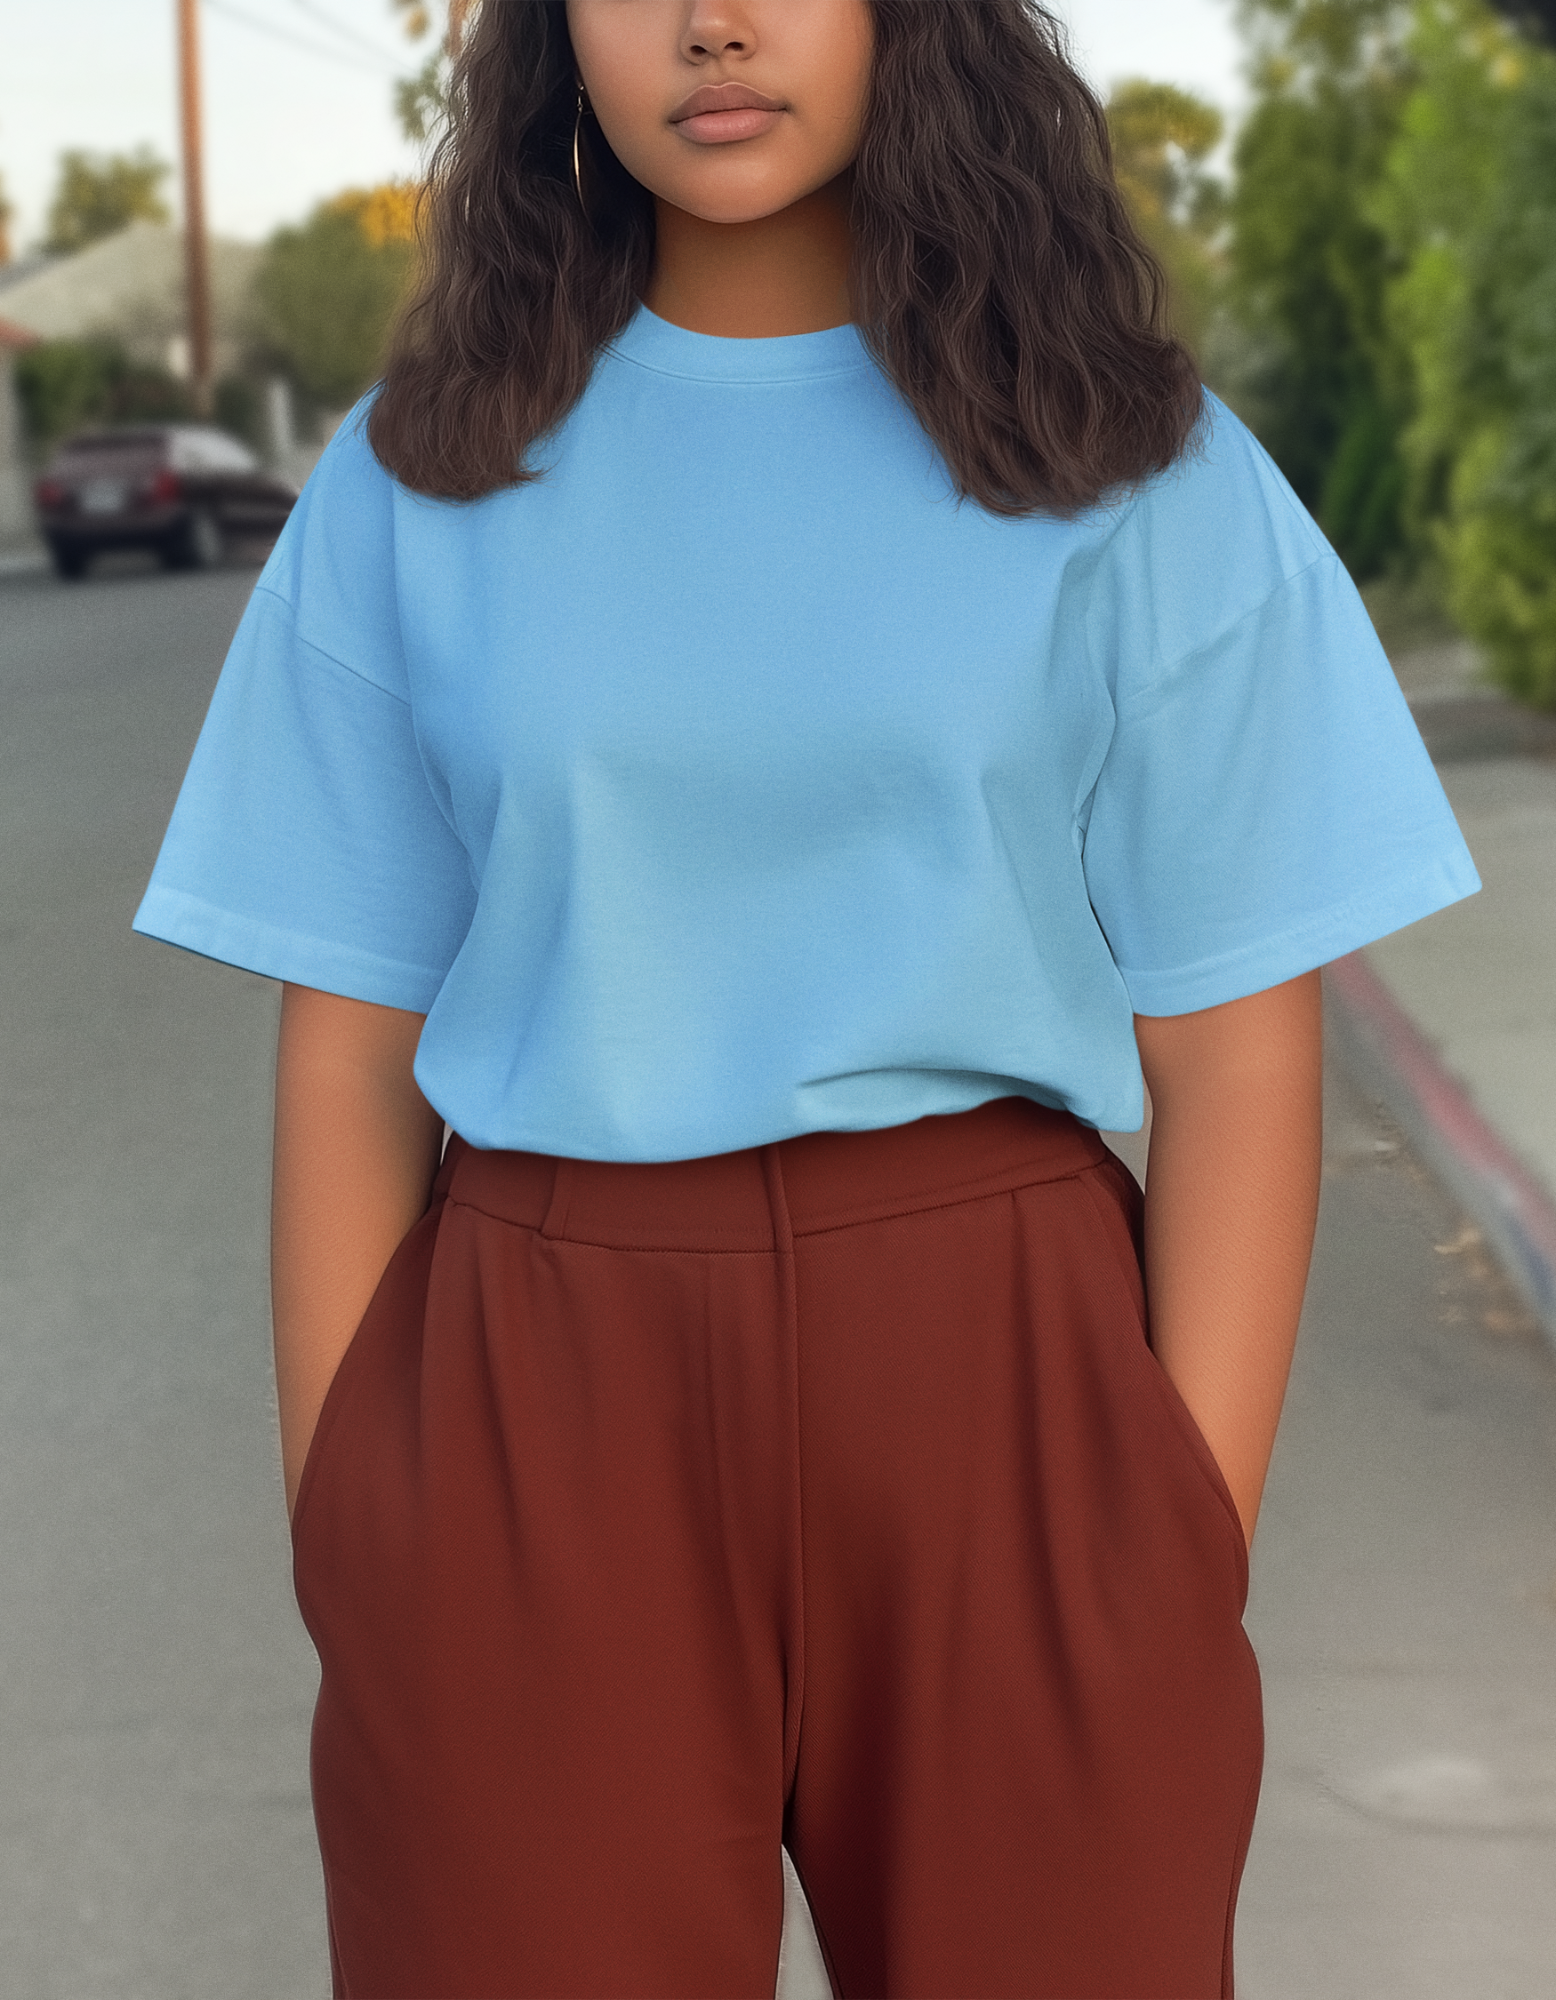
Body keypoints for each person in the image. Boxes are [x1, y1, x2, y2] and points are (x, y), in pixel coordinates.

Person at [133, 0, 1479, 1994]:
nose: (713, 25)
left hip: (1005, 1384)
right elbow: (348, 1039)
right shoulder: (423, 472)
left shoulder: (1125, 455)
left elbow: (1233, 1042)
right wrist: (359, 1520)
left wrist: (1178, 1531)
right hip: (534, 1389)